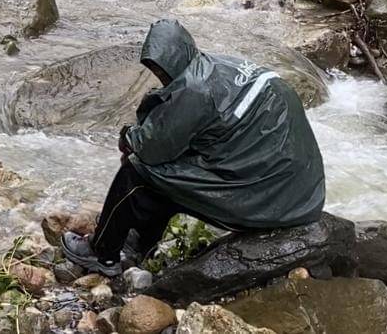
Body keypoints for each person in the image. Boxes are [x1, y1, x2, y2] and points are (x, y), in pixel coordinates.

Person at [62, 19, 326, 276]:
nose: (159, 76)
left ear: (175, 60)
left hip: (267, 200)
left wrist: (128, 137)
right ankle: (142, 244)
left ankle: (102, 253)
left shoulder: (194, 90)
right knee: (178, 168)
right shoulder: (219, 66)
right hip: (303, 193)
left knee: (137, 171)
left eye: (160, 69)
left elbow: (150, 148)